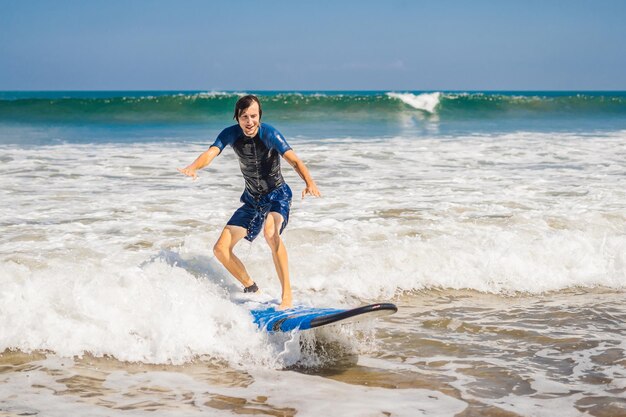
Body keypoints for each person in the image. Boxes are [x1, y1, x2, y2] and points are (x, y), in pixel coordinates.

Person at [178, 95, 320, 310]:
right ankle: (252, 288)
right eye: (244, 116)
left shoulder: (270, 133)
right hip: (253, 200)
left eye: (253, 116)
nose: (249, 121)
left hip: (277, 195)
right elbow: (210, 153)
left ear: (259, 117)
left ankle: (287, 297)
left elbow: (294, 160)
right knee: (220, 249)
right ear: (237, 118)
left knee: (271, 233)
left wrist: (309, 182)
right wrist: (193, 167)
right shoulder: (230, 134)